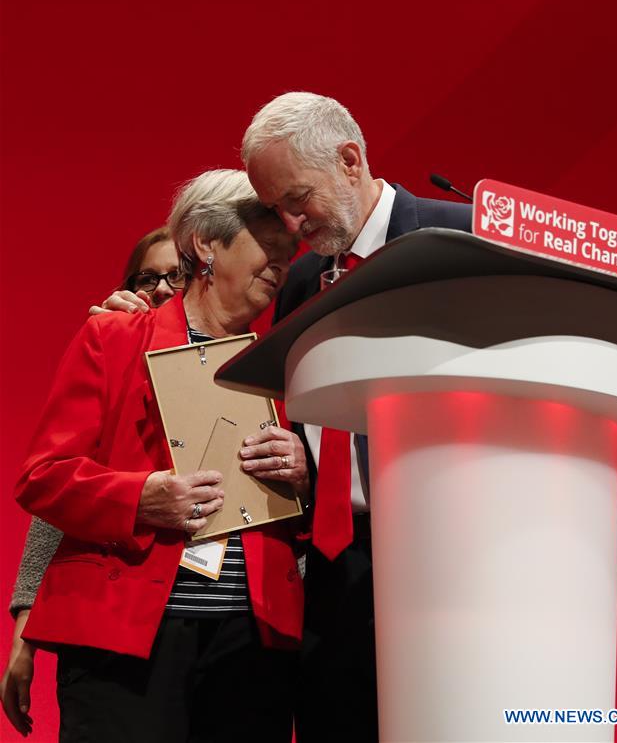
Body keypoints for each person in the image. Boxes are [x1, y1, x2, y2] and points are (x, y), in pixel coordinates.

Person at [13, 170, 308, 743]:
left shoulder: (287, 366)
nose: (280, 264)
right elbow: (42, 478)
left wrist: (304, 471)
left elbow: (328, 500)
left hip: (252, 644)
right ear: (205, 244)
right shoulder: (113, 339)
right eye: (266, 247)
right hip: (128, 638)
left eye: (287, 252)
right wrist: (138, 498)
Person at [241, 91, 473, 743]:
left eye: (297, 198)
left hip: (447, 556)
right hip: (336, 569)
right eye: (274, 209)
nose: (289, 225)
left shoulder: (460, 240)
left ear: (350, 160)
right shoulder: (301, 281)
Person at [1, 226, 183, 738]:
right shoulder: (110, 343)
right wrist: (25, 629)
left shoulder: (241, 355)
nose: (163, 289)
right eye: (149, 277)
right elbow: (63, 495)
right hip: (114, 620)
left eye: (179, 275)